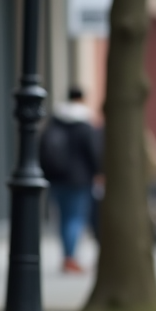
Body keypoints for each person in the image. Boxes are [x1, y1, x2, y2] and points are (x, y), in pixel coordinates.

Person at [40, 87, 101, 273]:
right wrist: (99, 172)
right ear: (82, 99)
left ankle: (67, 255)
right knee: (76, 218)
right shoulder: (85, 124)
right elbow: (94, 152)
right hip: (80, 180)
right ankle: (70, 258)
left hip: (56, 178)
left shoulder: (54, 122)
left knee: (63, 218)